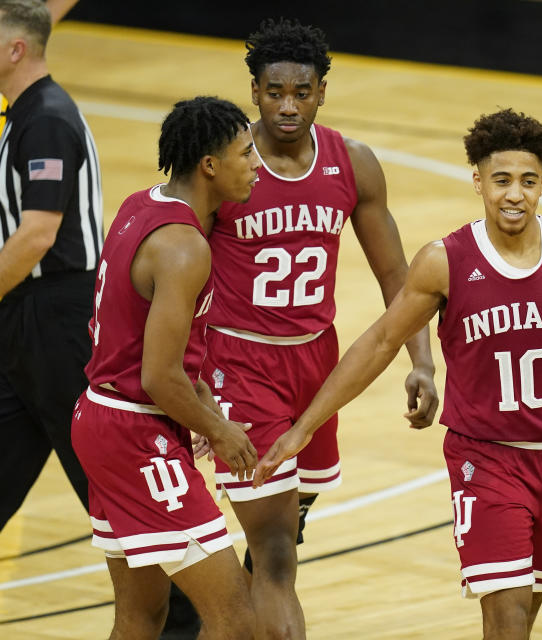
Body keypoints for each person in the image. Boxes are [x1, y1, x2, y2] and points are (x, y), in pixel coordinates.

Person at [253, 108, 542, 639]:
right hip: (484, 459)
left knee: (524, 614)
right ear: (478, 181)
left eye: (528, 182)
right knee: (506, 614)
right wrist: (305, 426)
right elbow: (379, 342)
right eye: (502, 180)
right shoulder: (446, 261)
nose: (515, 194)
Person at [188, 17, 438, 639]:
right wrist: (192, 388)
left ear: (323, 90)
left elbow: (396, 277)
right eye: (275, 92)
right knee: (276, 552)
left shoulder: (353, 163)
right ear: (254, 92)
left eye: (302, 92)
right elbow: (175, 279)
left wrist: (423, 361)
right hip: (240, 366)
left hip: (317, 368)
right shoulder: (223, 166)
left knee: (286, 531)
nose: (288, 106)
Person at [70, 96, 260, 639]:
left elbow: (145, 343)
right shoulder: (184, 247)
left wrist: (200, 407)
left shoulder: (139, 204)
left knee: (142, 615)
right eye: (245, 154)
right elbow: (158, 376)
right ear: (209, 165)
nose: (255, 165)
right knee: (236, 616)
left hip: (100, 417)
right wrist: (219, 431)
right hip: (136, 431)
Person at [0, 0, 100, 532]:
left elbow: (37, 235)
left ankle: (186, 613)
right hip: (25, 313)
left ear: (16, 49)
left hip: (59, 317)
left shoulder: (45, 119)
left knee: (101, 476)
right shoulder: (24, 114)